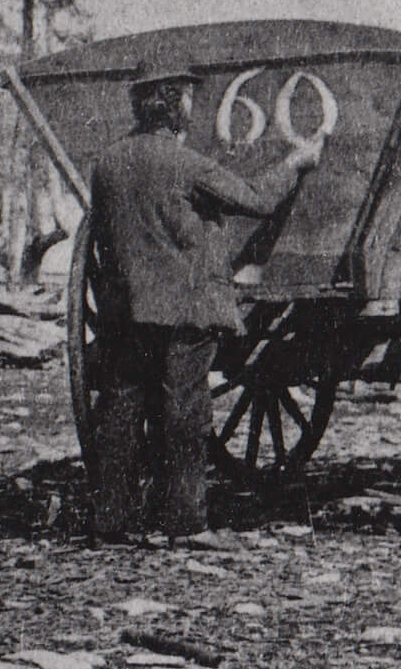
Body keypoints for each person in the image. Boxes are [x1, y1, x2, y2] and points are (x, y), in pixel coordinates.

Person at [83, 61, 323, 545]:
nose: (193, 106)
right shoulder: (185, 163)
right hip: (187, 309)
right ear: (173, 105)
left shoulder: (107, 162)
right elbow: (254, 199)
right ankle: (187, 523)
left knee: (122, 409)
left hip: (127, 310)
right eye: (188, 97)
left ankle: (111, 519)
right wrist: (295, 163)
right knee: (186, 415)